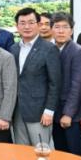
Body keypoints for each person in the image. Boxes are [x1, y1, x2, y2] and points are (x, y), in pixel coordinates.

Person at [11, 8, 61, 146]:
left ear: (38, 25)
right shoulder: (14, 49)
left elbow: (55, 83)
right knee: (21, 152)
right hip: (17, 111)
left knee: (41, 151)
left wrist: (49, 110)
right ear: (17, 26)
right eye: (22, 23)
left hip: (39, 112)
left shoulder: (49, 49)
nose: (26, 26)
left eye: (31, 22)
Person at [51, 12, 81, 156]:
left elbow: (77, 86)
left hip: (72, 115)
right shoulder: (50, 49)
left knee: (75, 155)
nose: (61, 31)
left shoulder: (78, 51)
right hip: (55, 113)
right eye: (57, 27)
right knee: (60, 154)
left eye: (65, 27)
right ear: (52, 29)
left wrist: (68, 114)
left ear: (71, 30)